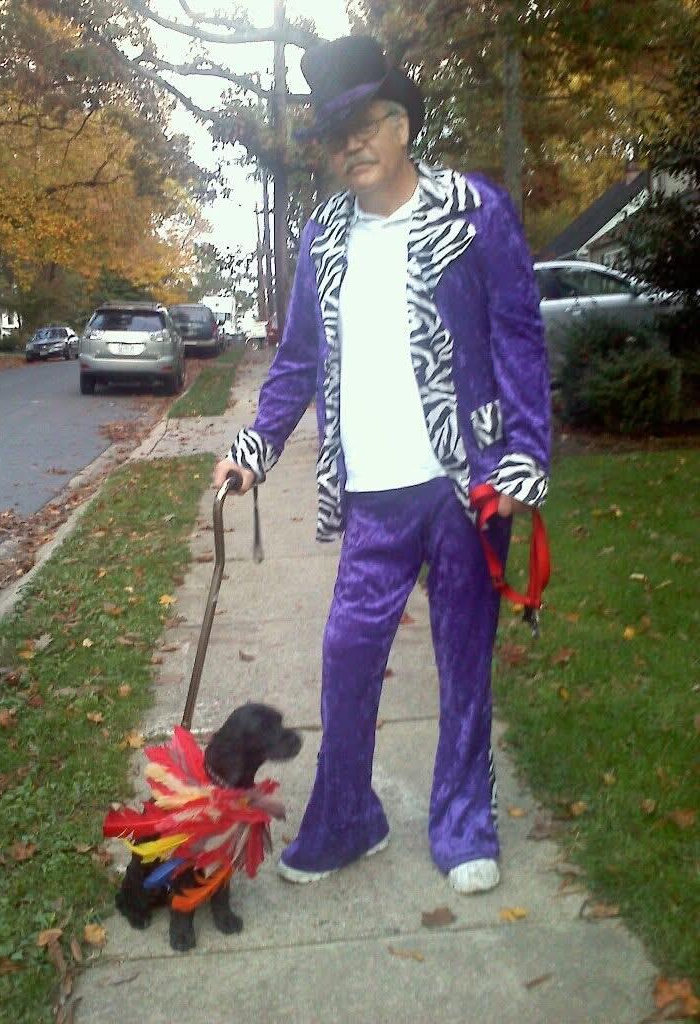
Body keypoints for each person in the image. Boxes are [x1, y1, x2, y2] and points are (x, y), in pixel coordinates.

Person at [213, 36, 550, 895]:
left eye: (366, 125)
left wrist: (522, 458)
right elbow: (294, 361)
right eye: (336, 135)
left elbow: (517, 337)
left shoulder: (474, 210)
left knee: (465, 661)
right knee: (348, 655)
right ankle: (347, 817)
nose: (351, 146)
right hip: (371, 495)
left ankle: (463, 821)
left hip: (464, 486)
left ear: (401, 124)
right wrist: (254, 450)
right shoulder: (323, 234)